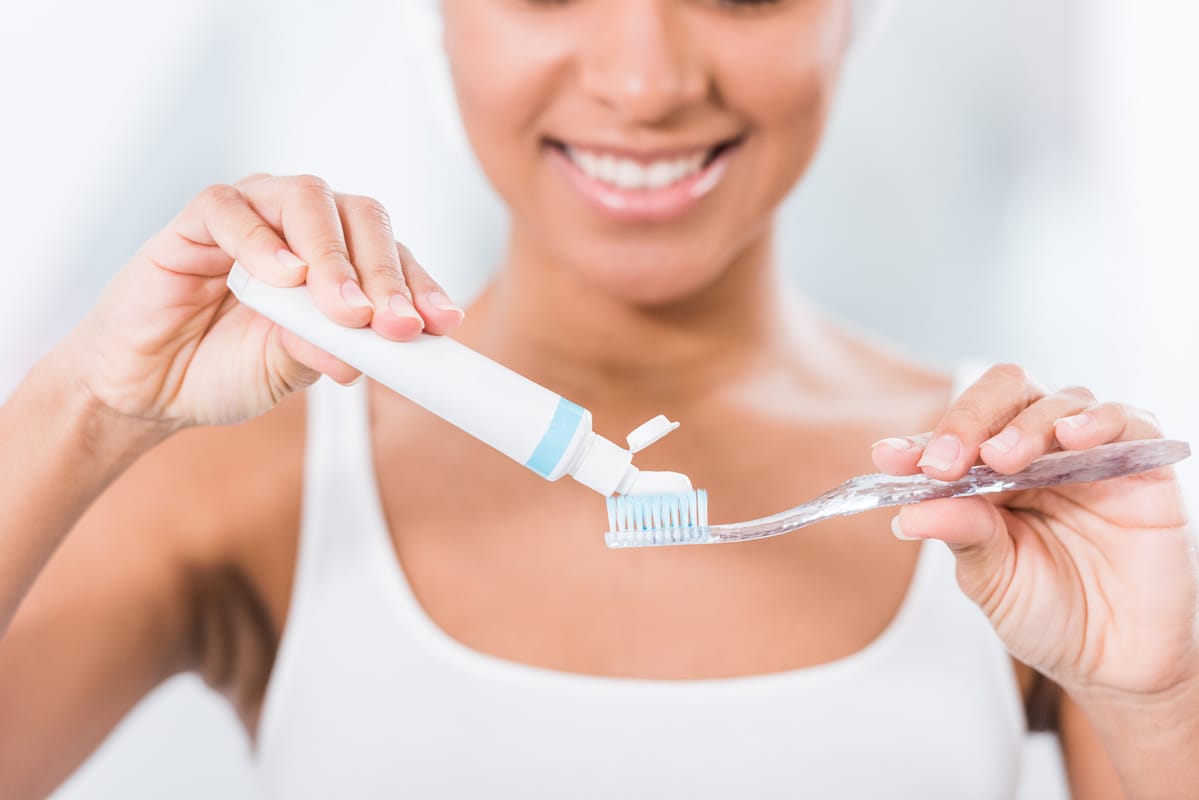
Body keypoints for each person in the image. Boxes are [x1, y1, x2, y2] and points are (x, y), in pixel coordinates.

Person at [1, 1, 1196, 797]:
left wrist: (1162, 700)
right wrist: (85, 404)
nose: (643, 82)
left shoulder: (1013, 509)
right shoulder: (251, 478)